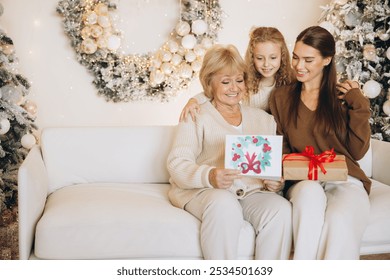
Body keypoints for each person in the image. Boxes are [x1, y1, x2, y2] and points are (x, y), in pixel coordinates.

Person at [167, 44, 292, 260]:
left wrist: (275, 184)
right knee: (224, 204)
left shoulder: (264, 120)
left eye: (239, 80)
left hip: (251, 193)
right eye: (225, 82)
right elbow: (177, 164)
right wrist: (210, 175)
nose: (234, 88)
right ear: (209, 84)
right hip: (205, 192)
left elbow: (270, 170)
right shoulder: (196, 115)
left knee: (280, 209)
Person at [269, 26, 371, 260]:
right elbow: (281, 147)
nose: (299, 66)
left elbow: (357, 151)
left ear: (327, 59)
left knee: (340, 221)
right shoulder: (282, 97)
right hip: (303, 179)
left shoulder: (343, 97)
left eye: (308, 59)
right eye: (295, 57)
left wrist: (359, 103)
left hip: (345, 180)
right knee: (309, 195)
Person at [179, 27, 295, 121]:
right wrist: (193, 100)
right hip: (249, 134)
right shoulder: (245, 78)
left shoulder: (290, 81)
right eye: (260, 58)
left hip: (276, 136)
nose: (266, 64)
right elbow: (215, 92)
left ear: (282, 56)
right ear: (252, 57)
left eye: (273, 58)